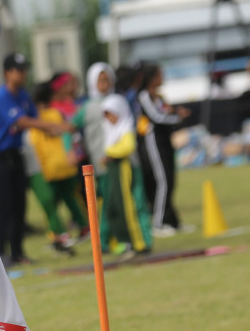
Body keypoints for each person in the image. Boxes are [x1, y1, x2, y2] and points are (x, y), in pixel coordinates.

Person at [0, 53, 65, 265]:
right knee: (2, 208)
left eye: (24, 69)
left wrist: (56, 125)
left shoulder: (23, 95)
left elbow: (35, 117)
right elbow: (23, 121)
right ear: (7, 73)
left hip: (15, 156)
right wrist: (50, 126)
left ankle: (17, 253)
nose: (23, 73)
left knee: (19, 206)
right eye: (18, 70)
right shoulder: (1, 96)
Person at [27, 81, 87, 254]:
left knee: (49, 203)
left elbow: (37, 144)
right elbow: (66, 134)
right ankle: (83, 227)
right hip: (64, 165)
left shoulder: (37, 119)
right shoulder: (55, 114)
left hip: (49, 167)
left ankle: (59, 235)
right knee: (70, 198)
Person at [136, 64, 189, 235]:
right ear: (151, 77)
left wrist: (175, 113)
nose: (162, 78)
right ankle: (158, 223)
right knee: (162, 181)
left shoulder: (158, 96)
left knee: (170, 180)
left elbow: (166, 112)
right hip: (153, 143)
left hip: (165, 141)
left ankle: (172, 221)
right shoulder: (144, 96)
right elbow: (156, 117)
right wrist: (176, 118)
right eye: (160, 75)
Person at [102, 92, 151, 256]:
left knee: (130, 206)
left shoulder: (126, 126)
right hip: (114, 171)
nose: (109, 118)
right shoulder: (111, 130)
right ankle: (125, 241)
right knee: (116, 206)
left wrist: (109, 152)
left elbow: (128, 147)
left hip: (125, 168)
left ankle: (139, 242)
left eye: (111, 114)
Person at [81, 62, 116, 245]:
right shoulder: (88, 106)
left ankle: (110, 237)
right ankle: (102, 240)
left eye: (107, 79)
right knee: (105, 201)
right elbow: (71, 127)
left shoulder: (116, 100)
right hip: (99, 162)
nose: (104, 84)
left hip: (117, 159)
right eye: (100, 80)